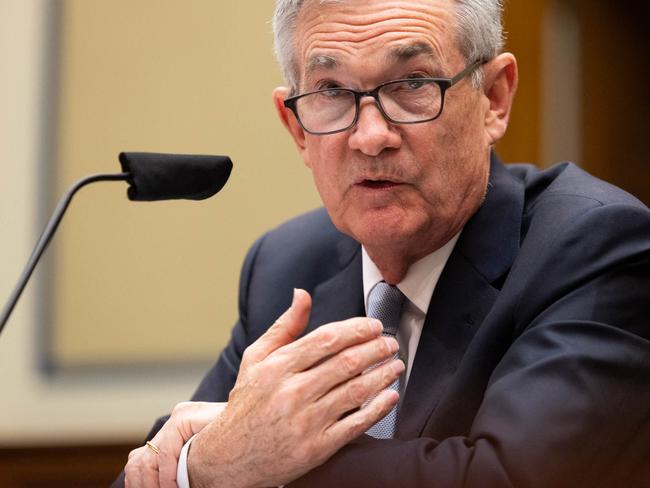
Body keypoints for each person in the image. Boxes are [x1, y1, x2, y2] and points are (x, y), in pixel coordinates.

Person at [116, 0, 650, 486]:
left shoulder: (593, 245)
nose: (370, 136)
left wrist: (247, 458)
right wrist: (205, 464)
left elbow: (512, 477)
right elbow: (149, 471)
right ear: (297, 128)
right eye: (331, 92)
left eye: (413, 83)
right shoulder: (287, 265)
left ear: (493, 98)